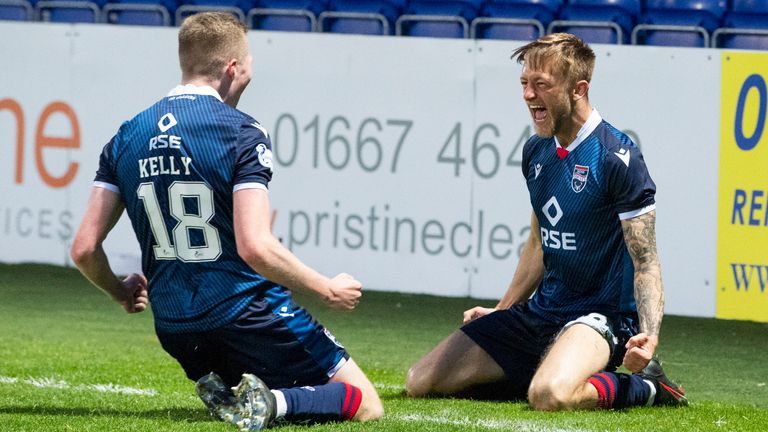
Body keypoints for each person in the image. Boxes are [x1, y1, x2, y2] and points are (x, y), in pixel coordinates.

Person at [70, 12, 383, 431]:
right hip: (247, 314)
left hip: (177, 328)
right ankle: (271, 403)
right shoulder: (240, 132)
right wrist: (326, 287)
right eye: (249, 66)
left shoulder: (126, 136)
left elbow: (84, 249)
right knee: (364, 404)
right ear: (232, 67)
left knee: (262, 378)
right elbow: (254, 246)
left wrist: (120, 291)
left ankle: (238, 391)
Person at [405, 33, 688, 411]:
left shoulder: (617, 157)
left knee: (550, 395)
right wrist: (504, 308)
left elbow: (646, 261)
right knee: (422, 382)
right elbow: (540, 240)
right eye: (524, 83)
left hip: (599, 318)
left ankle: (648, 386)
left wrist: (648, 337)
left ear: (578, 89)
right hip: (542, 312)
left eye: (541, 85)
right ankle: (547, 367)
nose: (527, 95)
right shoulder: (536, 149)